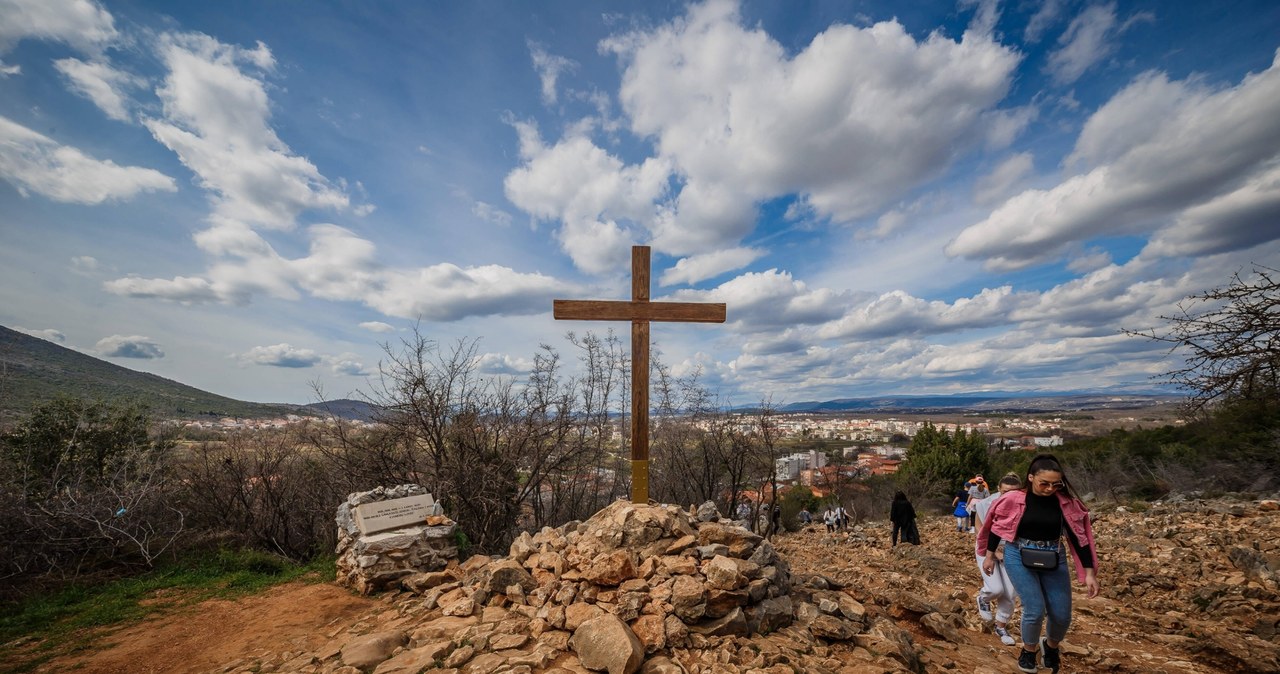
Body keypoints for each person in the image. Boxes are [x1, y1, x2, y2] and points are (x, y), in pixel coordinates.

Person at [978, 454, 1100, 674]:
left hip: (1054, 554)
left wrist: (1090, 573)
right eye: (1044, 483)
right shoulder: (1014, 498)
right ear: (1031, 477)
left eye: (1056, 484)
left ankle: (1050, 646)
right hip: (1018, 553)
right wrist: (989, 555)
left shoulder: (1067, 504)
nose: (1050, 488)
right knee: (1034, 608)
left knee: (1062, 614)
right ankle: (1028, 651)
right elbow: (998, 527)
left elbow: (1079, 538)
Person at [972, 473, 1022, 646]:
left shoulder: (1024, 505)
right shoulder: (985, 505)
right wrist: (991, 553)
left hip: (1012, 552)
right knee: (996, 588)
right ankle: (983, 599)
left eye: (1013, 492)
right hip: (986, 550)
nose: (1009, 496)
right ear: (999, 489)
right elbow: (980, 532)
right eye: (1005, 492)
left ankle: (1001, 626)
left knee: (1010, 592)